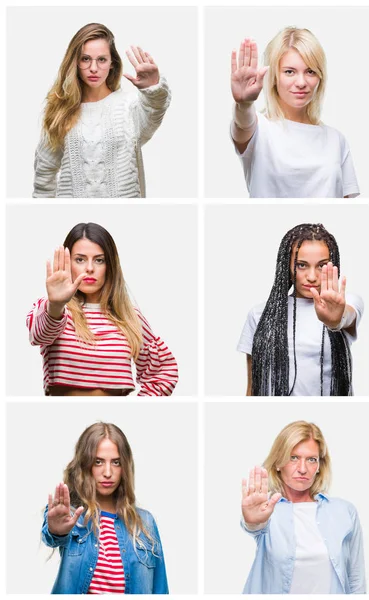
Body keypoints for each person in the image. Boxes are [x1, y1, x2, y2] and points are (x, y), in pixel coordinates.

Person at [27, 222, 178, 395]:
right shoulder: (53, 308)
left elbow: (164, 371)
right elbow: (38, 336)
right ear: (69, 263)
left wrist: (139, 407)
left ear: (110, 266)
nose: (90, 268)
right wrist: (56, 305)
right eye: (80, 259)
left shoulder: (129, 316)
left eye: (99, 260)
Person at [33, 23, 171, 198]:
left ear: (112, 63)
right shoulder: (60, 110)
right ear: (75, 62)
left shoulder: (129, 106)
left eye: (101, 59)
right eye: (85, 59)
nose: (93, 68)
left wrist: (153, 87)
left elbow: (155, 111)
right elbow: (44, 175)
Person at [230, 28, 359, 198]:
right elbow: (242, 124)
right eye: (289, 72)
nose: (301, 82)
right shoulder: (260, 129)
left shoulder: (336, 140)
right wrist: (244, 104)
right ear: (275, 76)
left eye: (310, 71)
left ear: (320, 76)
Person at [237, 223, 363, 396]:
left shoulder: (346, 302)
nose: (312, 277)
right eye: (301, 265)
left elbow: (346, 316)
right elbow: (252, 388)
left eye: (321, 265)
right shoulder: (260, 315)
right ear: (286, 266)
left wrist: (335, 320)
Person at [42, 422, 168, 594]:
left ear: (125, 467)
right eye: (98, 462)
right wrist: (56, 531)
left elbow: (160, 589)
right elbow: (52, 538)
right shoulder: (71, 516)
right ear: (85, 465)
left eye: (116, 462)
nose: (108, 472)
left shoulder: (145, 522)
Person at [241, 421, 365, 594]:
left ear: (319, 466)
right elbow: (254, 527)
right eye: (293, 458)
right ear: (278, 462)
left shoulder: (344, 512)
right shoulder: (268, 509)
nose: (302, 469)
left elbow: (356, 580)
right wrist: (252, 522)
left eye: (311, 460)